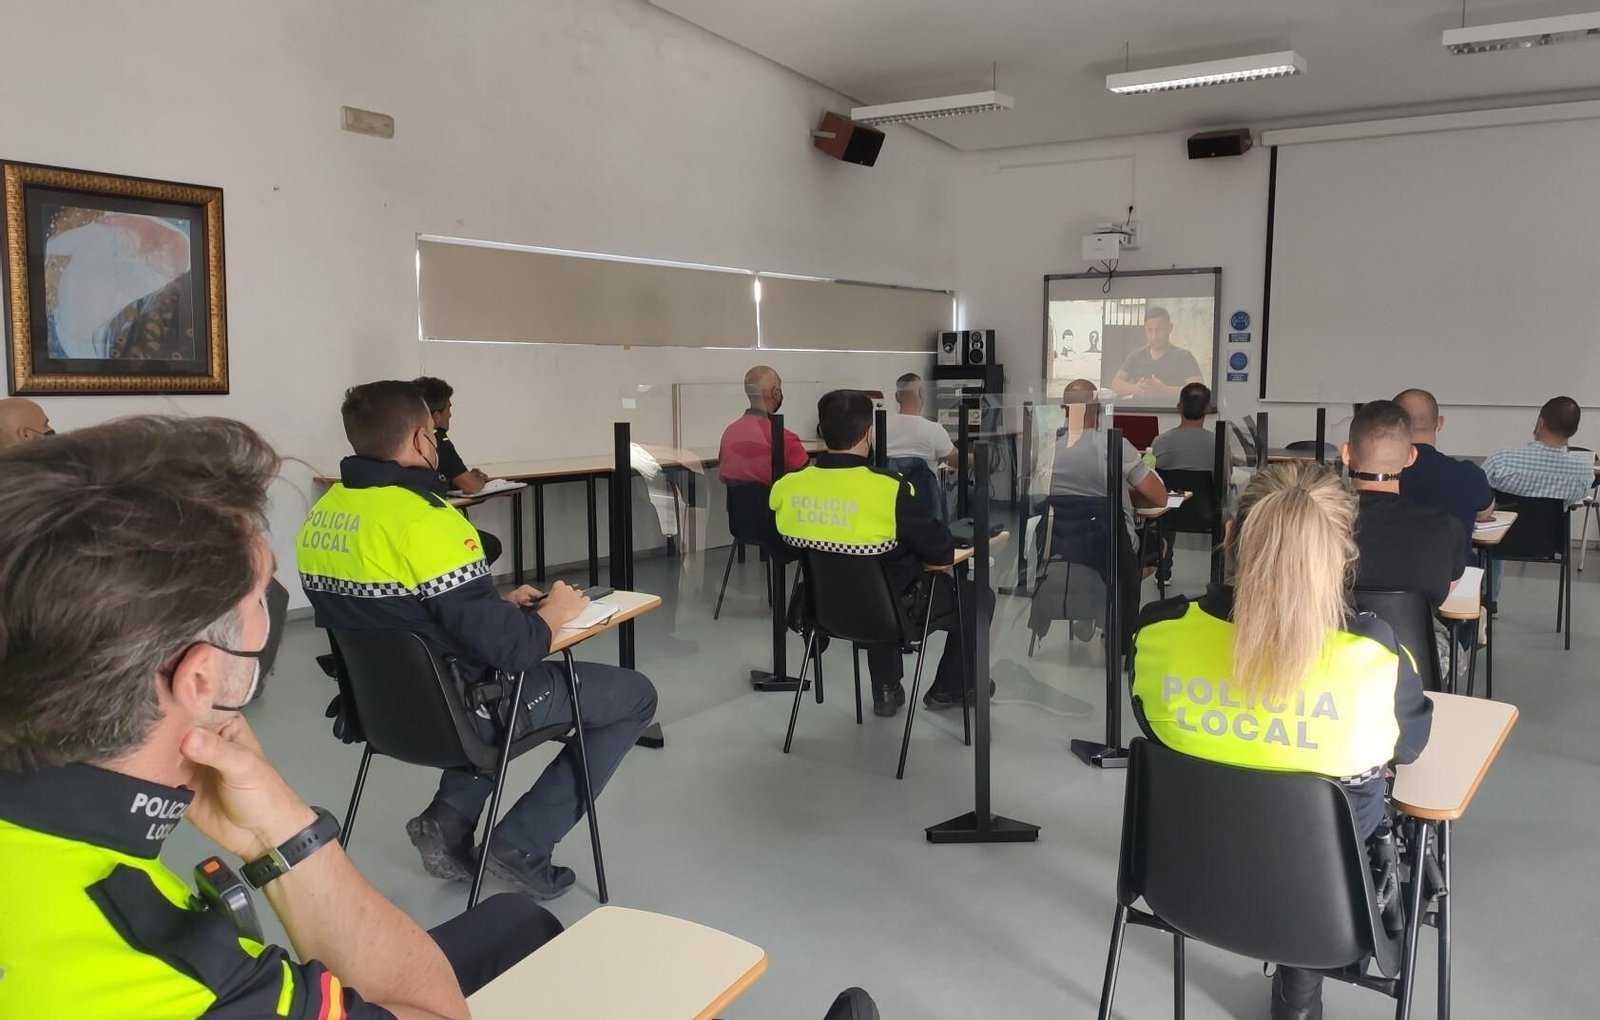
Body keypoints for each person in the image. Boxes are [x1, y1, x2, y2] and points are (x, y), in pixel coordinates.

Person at [0, 415, 562, 1020]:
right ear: (201, 677)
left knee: (517, 923)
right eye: (265, 594)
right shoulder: (176, 978)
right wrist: (289, 836)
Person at [298, 381, 657, 899]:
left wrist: (496, 606)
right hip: (465, 711)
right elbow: (512, 651)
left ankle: (449, 820)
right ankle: (521, 843)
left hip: (382, 712)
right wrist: (552, 613)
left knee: (479, 669)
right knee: (633, 696)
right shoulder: (427, 520)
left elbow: (403, 614)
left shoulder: (325, 515)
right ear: (425, 440)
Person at [1130, 459, 1432, 1020]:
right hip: (1330, 906)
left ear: (1229, 537)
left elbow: (1155, 727)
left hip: (1182, 878)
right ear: (1342, 554)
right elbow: (1409, 747)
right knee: (1325, 819)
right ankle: (1298, 995)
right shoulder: (1374, 655)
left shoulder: (1158, 630)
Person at [770, 390, 994, 716]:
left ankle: (886, 689)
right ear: (868, 433)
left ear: (822, 430)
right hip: (891, 613)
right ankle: (950, 688)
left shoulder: (788, 486)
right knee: (977, 598)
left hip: (823, 611)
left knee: (875, 579)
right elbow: (941, 554)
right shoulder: (889, 488)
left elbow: (780, 552)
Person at [1042, 379, 1168, 643]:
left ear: (1065, 409)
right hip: (1113, 547)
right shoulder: (1113, 446)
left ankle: (1091, 612)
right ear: (1097, 409)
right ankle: (1109, 612)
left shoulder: (1050, 452)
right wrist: (1127, 496)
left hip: (1065, 547)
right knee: (1158, 546)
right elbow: (1159, 496)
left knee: (1099, 556)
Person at [1344, 400, 1465, 614]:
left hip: (1327, 644)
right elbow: (1444, 595)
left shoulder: (1318, 522)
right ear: (1411, 457)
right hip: (1411, 646)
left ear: (1346, 454)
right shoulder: (1445, 527)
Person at [1481, 396, 1593, 599]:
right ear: (1574, 431)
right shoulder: (1584, 471)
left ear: (1540, 422)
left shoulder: (1502, 460)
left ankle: (1489, 600)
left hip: (1501, 541)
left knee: (1492, 523)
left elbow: (1479, 495)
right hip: (1549, 543)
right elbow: (1570, 502)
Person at [1393, 388, 1495, 565]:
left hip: (1392, 578)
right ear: (1440, 423)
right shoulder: (1469, 474)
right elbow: (1485, 511)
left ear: (1394, 425)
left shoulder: (1382, 477)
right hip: (1454, 579)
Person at [414, 375, 503, 568]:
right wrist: (479, 479)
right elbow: (470, 486)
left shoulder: (407, 440)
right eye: (449, 408)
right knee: (490, 546)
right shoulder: (437, 439)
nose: (451, 414)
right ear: (436, 416)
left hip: (411, 524)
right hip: (430, 526)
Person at [719, 364, 809, 485]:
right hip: (775, 503)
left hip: (736, 504)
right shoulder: (784, 438)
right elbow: (809, 480)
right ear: (776, 393)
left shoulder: (729, 433)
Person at [1108, 306, 1203, 402]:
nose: (1154, 336)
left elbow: (1198, 392)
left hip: (1171, 415)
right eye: (1150, 330)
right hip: (1139, 414)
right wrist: (1137, 389)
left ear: (1170, 328)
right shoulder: (1136, 355)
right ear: (1144, 330)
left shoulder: (1184, 357)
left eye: (1159, 329)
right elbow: (1115, 384)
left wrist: (1165, 391)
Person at [884, 372, 958, 474]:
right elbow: (957, 460)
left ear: (897, 397)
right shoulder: (933, 430)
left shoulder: (879, 428)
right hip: (923, 489)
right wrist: (982, 456)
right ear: (921, 394)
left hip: (891, 488)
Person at [1148, 382, 1216, 472]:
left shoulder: (1159, 442)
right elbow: (1225, 477)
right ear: (1209, 409)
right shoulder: (1218, 444)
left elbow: (1150, 474)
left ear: (1179, 407)